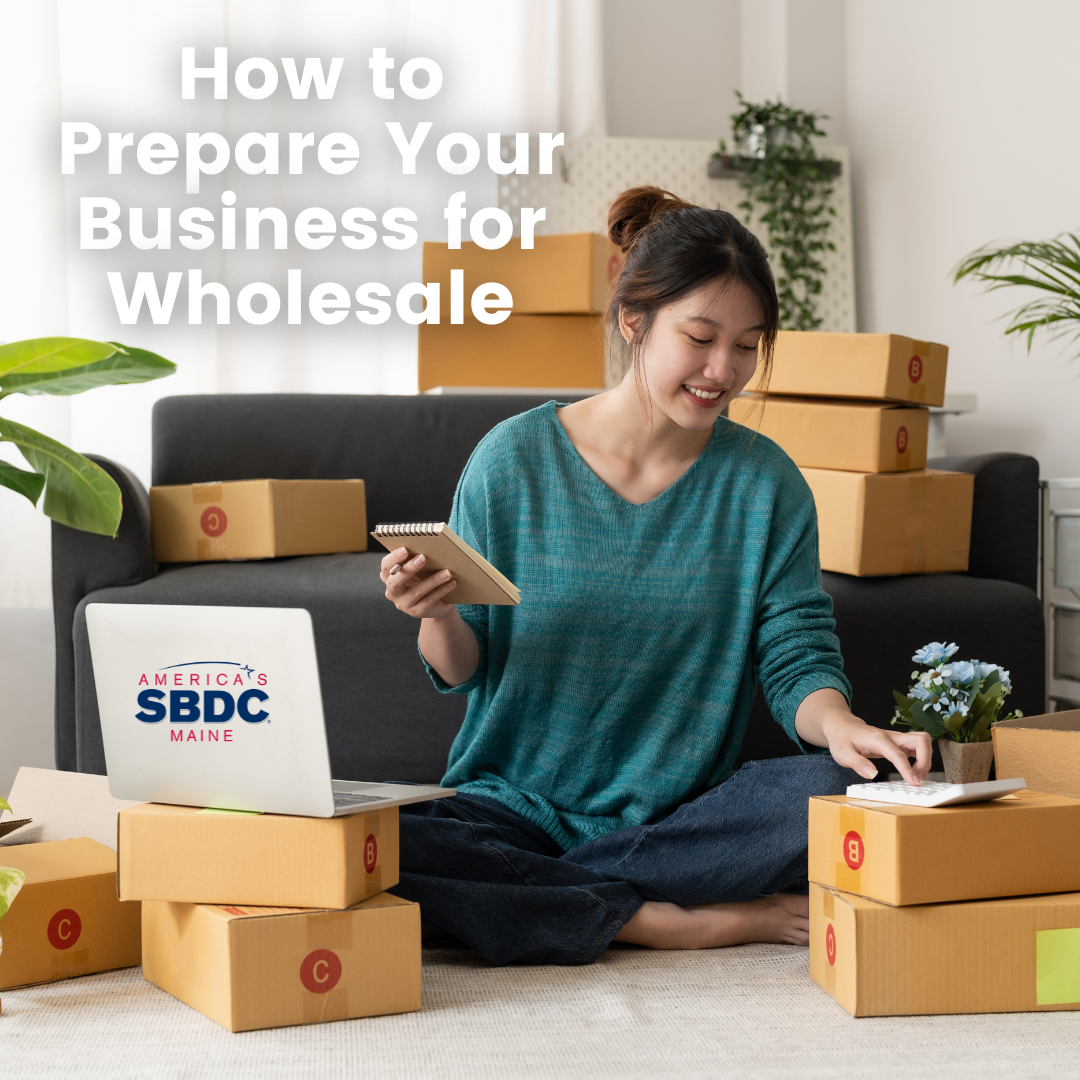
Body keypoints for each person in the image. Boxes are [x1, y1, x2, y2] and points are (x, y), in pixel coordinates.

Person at [380, 185, 931, 966]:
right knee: (384, 843)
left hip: (676, 825)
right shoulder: (514, 460)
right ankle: (672, 922)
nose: (722, 370)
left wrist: (844, 728)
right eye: (700, 338)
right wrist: (433, 614)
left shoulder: (766, 485)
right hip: (513, 808)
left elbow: (795, 654)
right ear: (635, 322)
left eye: (746, 346)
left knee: (845, 795)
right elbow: (465, 664)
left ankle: (539, 900)